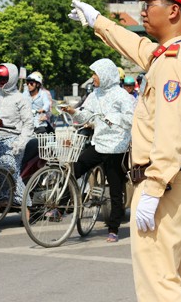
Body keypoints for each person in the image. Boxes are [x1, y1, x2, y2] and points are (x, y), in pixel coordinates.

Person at [70, 0, 181, 301]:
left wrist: (155, 187)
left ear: (173, 10)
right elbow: (139, 48)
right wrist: (97, 20)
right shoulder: (175, 55)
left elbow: (171, 133)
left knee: (159, 285)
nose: (142, 11)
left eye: (150, 4)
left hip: (166, 185)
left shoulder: (172, 63)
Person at [63, 59, 134, 242]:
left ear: (105, 75)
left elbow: (131, 119)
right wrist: (72, 111)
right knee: (75, 169)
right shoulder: (95, 94)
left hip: (117, 146)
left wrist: (113, 118)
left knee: (116, 189)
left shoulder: (122, 96)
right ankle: (71, 200)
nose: (93, 77)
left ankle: (114, 228)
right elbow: (85, 114)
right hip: (99, 143)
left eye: (96, 74)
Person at [0, 63, 33, 206]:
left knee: (8, 167)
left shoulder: (21, 99)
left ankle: (26, 206)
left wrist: (20, 143)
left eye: (4, 79)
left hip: (13, 139)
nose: (1, 83)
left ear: (12, 78)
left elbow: (28, 125)